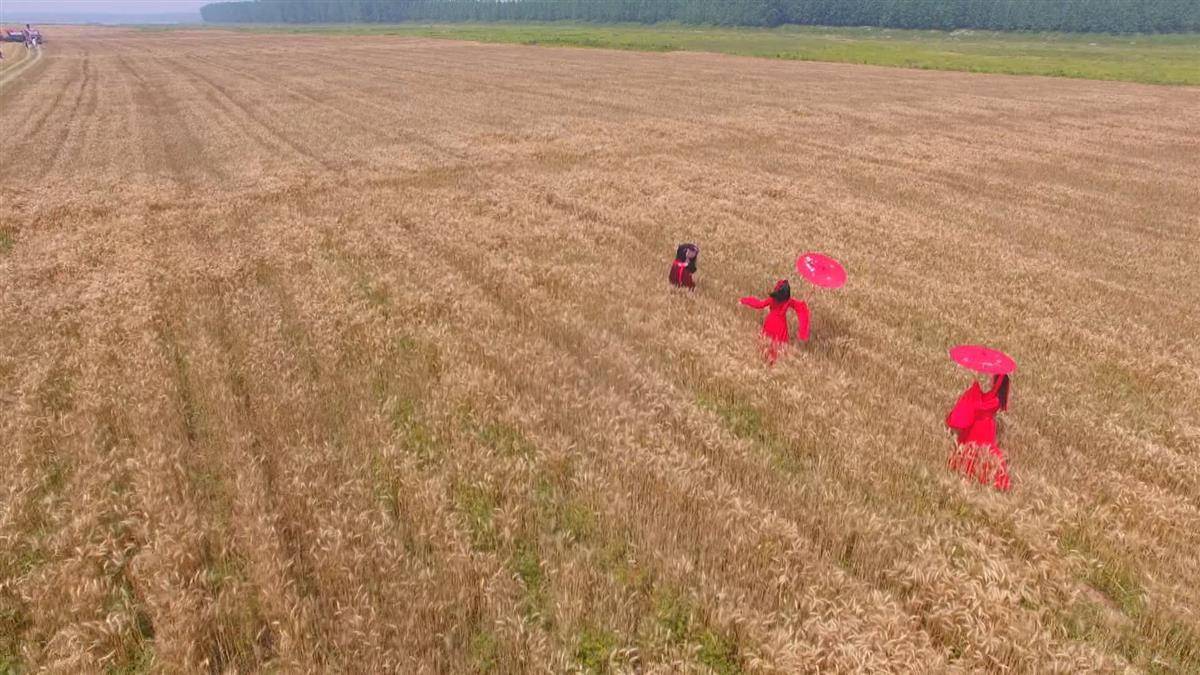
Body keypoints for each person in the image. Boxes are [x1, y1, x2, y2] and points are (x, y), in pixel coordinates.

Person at [946, 373, 1012, 491]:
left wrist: (975, 391)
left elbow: (981, 404)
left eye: (994, 378)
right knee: (985, 453)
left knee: (973, 451)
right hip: (988, 428)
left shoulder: (991, 398)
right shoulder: (998, 397)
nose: (991, 379)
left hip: (978, 427)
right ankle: (985, 479)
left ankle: (969, 474)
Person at [739, 279, 809, 363]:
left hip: (770, 322)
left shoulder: (772, 299)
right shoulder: (788, 301)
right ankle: (775, 364)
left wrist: (744, 300)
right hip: (781, 325)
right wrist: (804, 304)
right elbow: (800, 308)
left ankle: (763, 359)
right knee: (779, 347)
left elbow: (759, 304)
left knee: (766, 343)